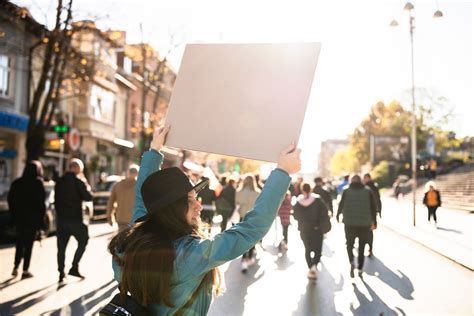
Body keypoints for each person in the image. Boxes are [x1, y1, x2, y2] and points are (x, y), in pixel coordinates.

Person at [107, 126, 301, 315]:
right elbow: (250, 229)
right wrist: (282, 172)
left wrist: (154, 151)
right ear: (172, 210)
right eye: (190, 200)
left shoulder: (130, 243)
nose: (198, 205)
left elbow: (143, 201)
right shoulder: (190, 255)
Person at [55, 158, 93, 282]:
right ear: (77, 168)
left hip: (61, 220)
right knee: (84, 240)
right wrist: (85, 182)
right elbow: (88, 197)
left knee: (61, 248)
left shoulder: (59, 181)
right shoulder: (78, 181)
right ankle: (74, 267)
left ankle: (61, 273)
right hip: (76, 219)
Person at [7, 161, 46, 279]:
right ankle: (25, 270)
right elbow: (41, 204)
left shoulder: (17, 183)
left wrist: (14, 214)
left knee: (19, 243)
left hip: (20, 219)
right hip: (32, 220)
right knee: (28, 245)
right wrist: (41, 221)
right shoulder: (38, 183)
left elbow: (10, 199)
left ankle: (16, 266)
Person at [337, 174, 377, 278]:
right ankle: (360, 268)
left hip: (349, 223)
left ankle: (351, 261)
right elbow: (373, 207)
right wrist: (374, 222)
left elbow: (341, 204)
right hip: (364, 224)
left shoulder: (346, 191)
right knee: (362, 246)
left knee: (349, 244)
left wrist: (338, 215)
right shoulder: (368, 191)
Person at [293, 183, 328, 280]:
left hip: (304, 229)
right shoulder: (317, 200)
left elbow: (295, 215)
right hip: (316, 228)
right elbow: (324, 212)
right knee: (317, 249)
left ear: (302, 190)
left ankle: (311, 267)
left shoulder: (298, 201)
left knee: (307, 249)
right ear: (311, 189)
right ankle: (314, 266)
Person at [235, 174, 261, 272]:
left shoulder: (239, 192)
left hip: (242, 217)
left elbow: (236, 204)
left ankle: (243, 258)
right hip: (252, 218)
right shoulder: (257, 192)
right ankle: (249, 256)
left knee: (242, 237)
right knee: (251, 237)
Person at [107, 164, 139, 231]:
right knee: (133, 240)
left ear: (128, 173)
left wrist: (110, 217)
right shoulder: (139, 186)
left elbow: (111, 202)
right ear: (137, 173)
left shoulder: (117, 185)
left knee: (122, 239)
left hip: (121, 218)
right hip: (135, 219)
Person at [363, 173, 382, 257]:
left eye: (365, 178)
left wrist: (379, 210)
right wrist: (379, 210)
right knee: (369, 231)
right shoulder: (374, 186)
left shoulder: (365, 188)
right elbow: (378, 199)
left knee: (367, 231)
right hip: (371, 211)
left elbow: (378, 199)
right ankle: (370, 248)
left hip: (367, 211)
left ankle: (369, 248)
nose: (364, 179)